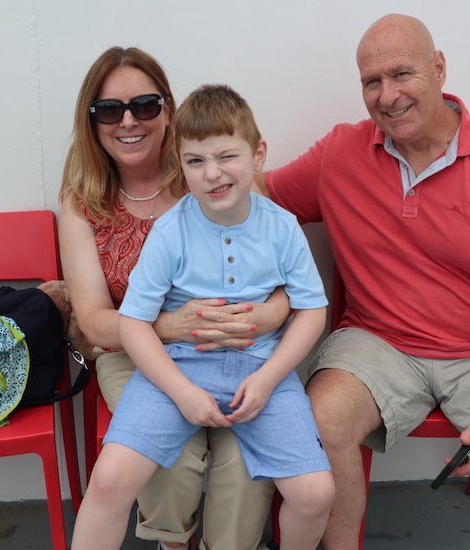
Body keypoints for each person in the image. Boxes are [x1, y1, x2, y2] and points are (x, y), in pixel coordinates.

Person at [254, 14, 470, 550]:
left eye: (402, 74)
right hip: (378, 342)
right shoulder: (339, 154)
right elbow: (254, 195)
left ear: (439, 68)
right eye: (371, 82)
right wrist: (145, 204)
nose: (387, 95)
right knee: (320, 423)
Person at [71, 83, 335, 550]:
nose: (212, 174)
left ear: (258, 156)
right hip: (178, 364)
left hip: (260, 367)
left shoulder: (282, 226)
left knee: (316, 493)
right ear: (181, 165)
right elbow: (133, 323)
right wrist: (183, 392)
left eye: (226, 156)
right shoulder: (170, 231)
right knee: (110, 479)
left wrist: (271, 378)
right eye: (195, 161)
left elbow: (312, 309)